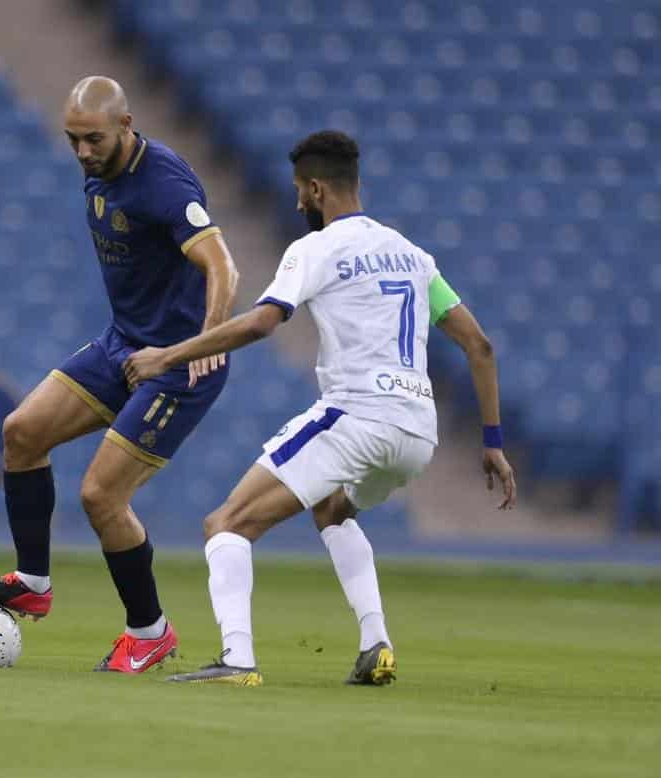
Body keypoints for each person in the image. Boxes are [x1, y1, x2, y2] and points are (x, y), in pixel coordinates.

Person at [124, 130, 518, 686]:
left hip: (357, 415)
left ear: (315, 189)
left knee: (226, 525)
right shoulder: (411, 255)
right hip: (416, 434)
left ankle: (237, 660)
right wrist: (493, 443)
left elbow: (263, 320)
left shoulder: (315, 248)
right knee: (333, 509)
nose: (296, 203)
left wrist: (169, 355)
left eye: (298, 193)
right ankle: (375, 643)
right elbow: (480, 345)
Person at [0, 76, 240, 673]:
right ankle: (33, 581)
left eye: (94, 140)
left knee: (101, 495)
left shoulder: (164, 181)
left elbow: (223, 265)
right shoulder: (99, 168)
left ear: (127, 125)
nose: (82, 152)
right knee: (21, 432)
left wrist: (204, 340)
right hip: (122, 344)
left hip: (178, 364)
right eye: (73, 139)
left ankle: (149, 630)